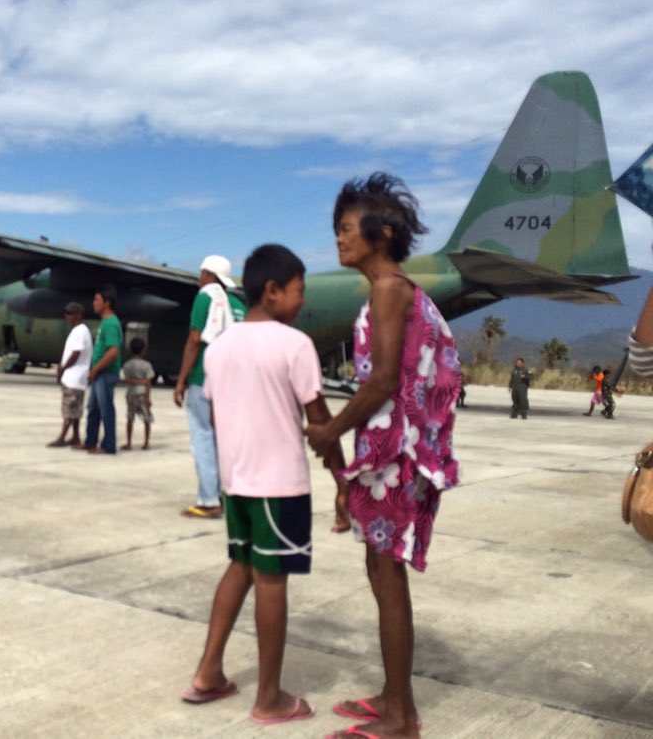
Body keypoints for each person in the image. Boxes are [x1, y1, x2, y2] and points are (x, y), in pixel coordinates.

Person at [308, 173, 460, 739]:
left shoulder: (391, 290)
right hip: (390, 453)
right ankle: (393, 695)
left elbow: (383, 382)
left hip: (399, 455)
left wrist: (331, 435)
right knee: (378, 566)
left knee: (387, 573)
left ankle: (402, 717)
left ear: (384, 233)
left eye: (347, 229)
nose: (339, 239)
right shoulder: (388, 291)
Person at [182, 243, 344, 725]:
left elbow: (214, 415)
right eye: (299, 291)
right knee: (272, 582)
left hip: (237, 485)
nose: (303, 301)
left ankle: (209, 672)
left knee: (241, 566)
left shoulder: (221, 347)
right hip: (280, 485)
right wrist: (343, 481)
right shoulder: (294, 344)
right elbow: (321, 422)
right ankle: (269, 698)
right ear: (271, 291)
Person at [173, 255, 247, 519]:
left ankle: (208, 500)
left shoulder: (205, 297)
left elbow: (195, 340)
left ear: (209, 275)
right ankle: (228, 496)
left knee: (203, 438)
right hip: (233, 382)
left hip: (203, 378)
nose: (199, 277)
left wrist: (181, 380)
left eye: (202, 272)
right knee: (225, 441)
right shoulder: (237, 302)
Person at [83, 285, 123, 455]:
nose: (94, 303)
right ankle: (90, 441)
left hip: (105, 373)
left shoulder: (111, 324)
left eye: (97, 300)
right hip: (99, 373)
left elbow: (113, 351)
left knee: (106, 408)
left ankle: (109, 445)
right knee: (93, 408)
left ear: (107, 303)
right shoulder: (105, 323)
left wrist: (96, 368)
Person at [47, 302, 92, 448]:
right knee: (75, 410)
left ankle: (62, 437)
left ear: (78, 315)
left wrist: (63, 368)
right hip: (77, 378)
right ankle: (76, 437)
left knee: (68, 409)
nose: (66, 316)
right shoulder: (80, 330)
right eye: (66, 313)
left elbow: (76, 353)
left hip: (74, 377)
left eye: (70, 313)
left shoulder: (80, 331)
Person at [121, 337, 155, 450]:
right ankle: (146, 442)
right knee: (146, 418)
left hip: (131, 393)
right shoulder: (147, 365)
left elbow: (126, 379)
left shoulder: (127, 365)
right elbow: (148, 382)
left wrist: (134, 381)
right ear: (143, 350)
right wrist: (148, 397)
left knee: (130, 418)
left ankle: (129, 442)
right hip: (142, 393)